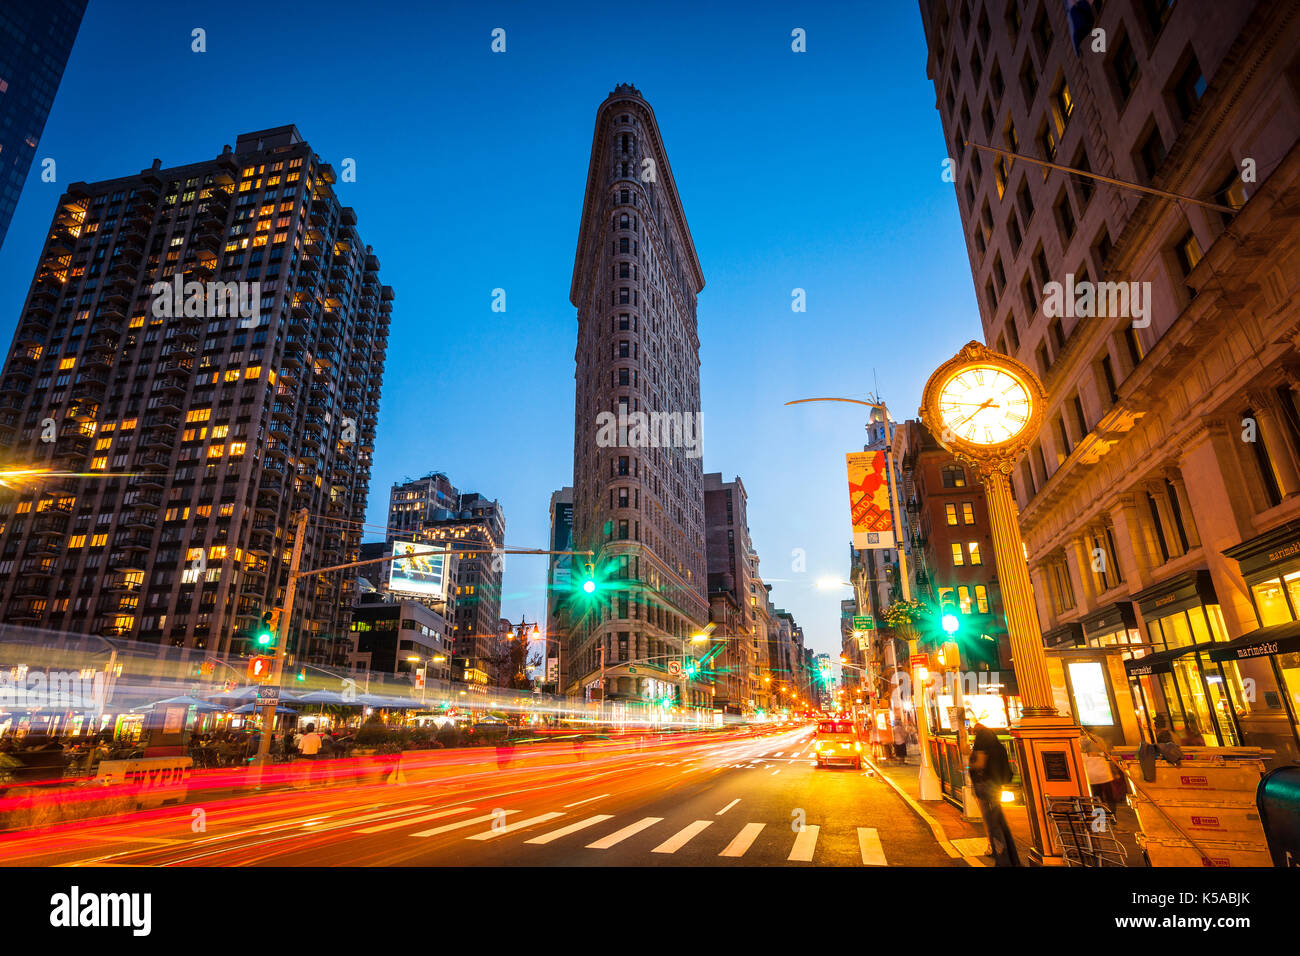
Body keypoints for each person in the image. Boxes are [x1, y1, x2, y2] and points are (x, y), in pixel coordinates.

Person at [968, 724, 1020, 866]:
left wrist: (968, 765)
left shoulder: (982, 748)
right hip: (997, 786)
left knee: (992, 824)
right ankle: (1011, 858)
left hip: (985, 787)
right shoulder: (999, 747)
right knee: (1000, 821)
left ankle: (1001, 858)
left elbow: (978, 765)